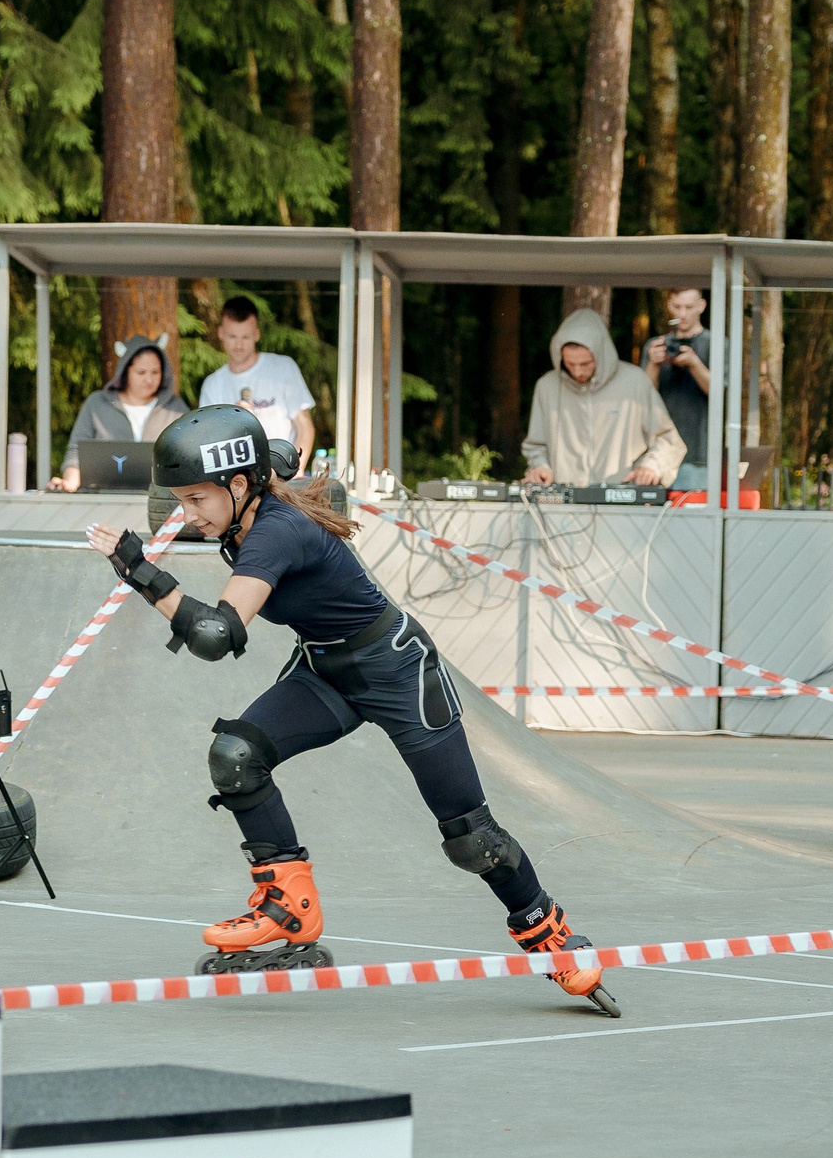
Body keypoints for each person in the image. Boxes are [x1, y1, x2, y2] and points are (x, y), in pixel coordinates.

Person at [85, 404, 620, 1016]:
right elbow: (279, 450)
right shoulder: (255, 484)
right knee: (236, 757)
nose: (188, 516)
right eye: (181, 501)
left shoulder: (276, 532)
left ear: (239, 485)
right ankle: (288, 904)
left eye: (196, 500)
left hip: (394, 669)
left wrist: (139, 571)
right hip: (327, 669)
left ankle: (546, 930)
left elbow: (216, 636)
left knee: (471, 837)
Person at [520, 309, 684, 488]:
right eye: (569, 364)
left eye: (585, 363)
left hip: (622, 499)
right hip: (564, 506)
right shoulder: (547, 386)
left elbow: (669, 439)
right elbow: (536, 445)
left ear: (601, 355)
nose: (578, 371)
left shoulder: (635, 381)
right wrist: (540, 467)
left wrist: (651, 467)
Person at [54, 336, 187, 491]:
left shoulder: (176, 409)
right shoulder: (97, 404)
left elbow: (189, 457)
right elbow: (77, 452)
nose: (149, 379)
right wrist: (70, 483)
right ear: (125, 371)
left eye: (155, 372)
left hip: (160, 503)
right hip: (103, 502)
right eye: (141, 372)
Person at [196, 296, 317, 455]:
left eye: (245, 337)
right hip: (233, 477)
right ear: (220, 333)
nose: (239, 345)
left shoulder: (283, 368)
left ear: (257, 335)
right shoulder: (212, 385)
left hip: (282, 474)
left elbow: (305, 427)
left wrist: (295, 472)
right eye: (232, 336)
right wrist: (229, 421)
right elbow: (207, 441)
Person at [641, 286, 713, 488]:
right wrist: (654, 364)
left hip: (697, 454)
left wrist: (694, 363)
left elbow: (719, 394)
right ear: (669, 306)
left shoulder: (714, 343)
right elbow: (643, 397)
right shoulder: (654, 345)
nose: (682, 314)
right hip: (655, 455)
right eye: (677, 307)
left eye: (689, 307)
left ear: (702, 306)